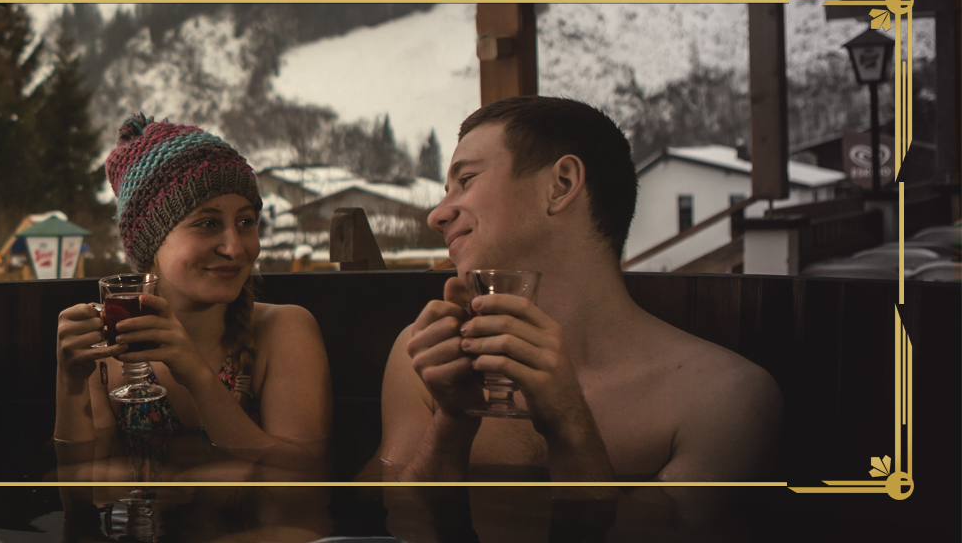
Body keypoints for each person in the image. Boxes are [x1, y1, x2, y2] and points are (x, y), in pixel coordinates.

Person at [372, 96, 783, 491]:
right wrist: (452, 421)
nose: (437, 214)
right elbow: (393, 522)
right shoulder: (422, 356)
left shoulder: (720, 398)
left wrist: (570, 424)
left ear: (561, 185)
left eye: (466, 180)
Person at [52, 114, 333, 459]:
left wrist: (196, 376)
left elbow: (301, 477)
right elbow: (82, 480)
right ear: (150, 243)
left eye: (246, 222)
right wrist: (70, 380)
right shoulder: (106, 352)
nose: (234, 248)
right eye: (208, 223)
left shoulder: (284, 332)